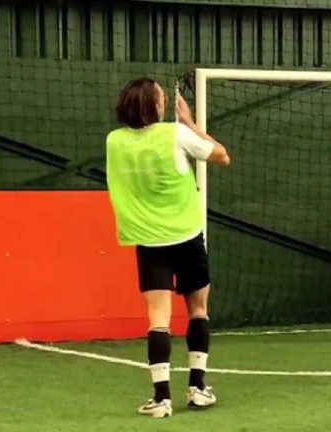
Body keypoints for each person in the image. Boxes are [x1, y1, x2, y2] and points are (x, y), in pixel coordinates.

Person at [106, 78, 230, 417]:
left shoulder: (114, 141)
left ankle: (161, 398)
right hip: (187, 235)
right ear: (154, 106)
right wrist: (190, 123)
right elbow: (222, 156)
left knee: (157, 318)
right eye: (161, 98)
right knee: (198, 310)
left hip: (149, 240)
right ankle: (198, 388)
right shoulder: (176, 134)